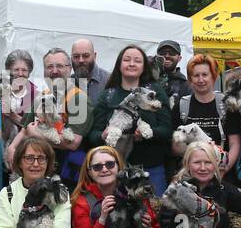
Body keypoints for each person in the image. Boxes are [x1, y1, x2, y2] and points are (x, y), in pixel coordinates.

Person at [88, 44, 175, 194]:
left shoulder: (154, 92)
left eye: (137, 60)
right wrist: (103, 135)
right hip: (114, 172)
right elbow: (93, 134)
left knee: (153, 213)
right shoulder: (108, 95)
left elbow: (167, 130)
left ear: (144, 67)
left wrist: (148, 133)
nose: (132, 64)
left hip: (150, 170)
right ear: (119, 65)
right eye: (127, 60)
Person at [6, 48, 93, 183]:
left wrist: (35, 133)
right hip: (37, 169)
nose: (54, 71)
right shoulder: (43, 95)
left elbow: (73, 143)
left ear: (70, 69)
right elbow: (25, 128)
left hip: (65, 173)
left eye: (59, 66)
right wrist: (12, 148)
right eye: (49, 67)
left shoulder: (78, 99)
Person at [172, 54, 241, 177]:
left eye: (205, 75)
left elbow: (235, 143)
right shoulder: (181, 106)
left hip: (222, 171)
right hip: (191, 173)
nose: (201, 80)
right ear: (190, 79)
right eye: (196, 75)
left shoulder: (227, 104)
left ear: (213, 77)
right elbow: (175, 147)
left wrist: (224, 169)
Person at [0, 49, 37, 144]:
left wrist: (12, 115)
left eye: (24, 70)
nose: (20, 74)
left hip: (25, 143)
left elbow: (36, 127)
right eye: (16, 70)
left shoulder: (35, 94)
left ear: (29, 72)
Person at [70, 38, 111, 105]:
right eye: (76, 56)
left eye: (86, 56)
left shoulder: (109, 81)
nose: (81, 60)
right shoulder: (68, 83)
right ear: (71, 58)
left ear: (94, 56)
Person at [155, 39, 191, 104]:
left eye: (172, 53)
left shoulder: (186, 86)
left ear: (179, 58)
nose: (167, 56)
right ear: (156, 57)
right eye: (162, 53)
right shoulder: (148, 79)